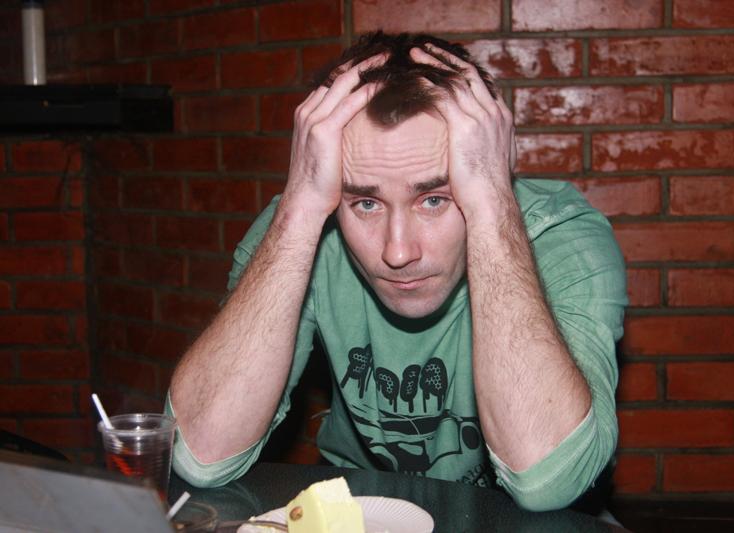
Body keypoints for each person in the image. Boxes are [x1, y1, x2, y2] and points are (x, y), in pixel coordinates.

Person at [167, 32, 627, 512]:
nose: (398, 251)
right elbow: (201, 456)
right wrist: (300, 208)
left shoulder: (561, 234)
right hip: (360, 510)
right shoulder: (301, 228)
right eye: (366, 203)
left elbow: (547, 483)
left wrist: (491, 205)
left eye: (434, 199)